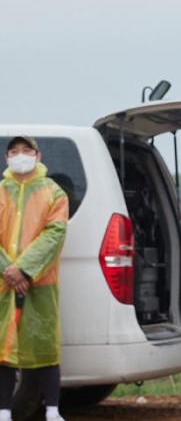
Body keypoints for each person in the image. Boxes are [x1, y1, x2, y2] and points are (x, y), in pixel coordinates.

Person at [0, 136, 69, 421]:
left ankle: (53, 409)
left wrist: (25, 269)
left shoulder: (54, 193)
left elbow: (55, 233)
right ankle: (3, 410)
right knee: (3, 349)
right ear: (6, 159)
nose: (20, 155)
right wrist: (9, 270)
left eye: (26, 150)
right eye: (14, 151)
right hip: (4, 283)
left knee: (44, 345)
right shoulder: (1, 191)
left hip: (40, 282)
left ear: (38, 156)